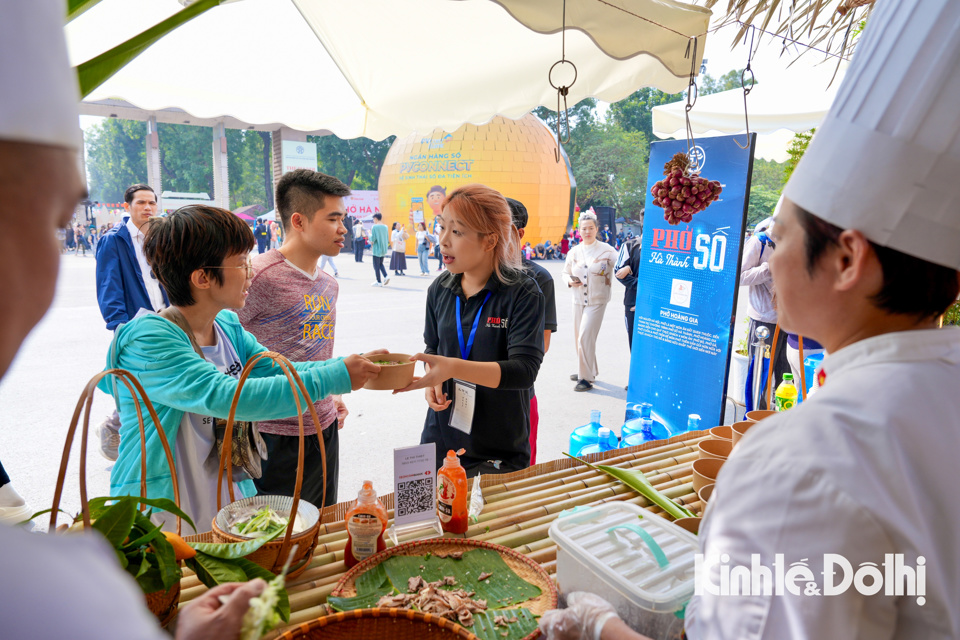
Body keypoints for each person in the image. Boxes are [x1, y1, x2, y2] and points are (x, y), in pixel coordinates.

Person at [540, 2, 960, 637]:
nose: (767, 255)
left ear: (848, 258)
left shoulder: (801, 465)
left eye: (780, 236)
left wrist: (597, 625)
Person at [0, 3, 266, 637]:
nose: (44, 277)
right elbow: (228, 393)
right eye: (52, 223)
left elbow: (260, 372)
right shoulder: (149, 332)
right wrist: (352, 374)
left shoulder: (226, 328)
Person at [101, 205, 382, 531]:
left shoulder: (226, 326)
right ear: (202, 277)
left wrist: (347, 366)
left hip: (221, 501)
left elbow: (277, 371)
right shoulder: (149, 339)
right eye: (240, 262)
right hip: (162, 512)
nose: (250, 271)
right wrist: (336, 376)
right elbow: (228, 396)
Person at [398, 184, 545, 476]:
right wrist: (433, 382)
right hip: (440, 436)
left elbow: (524, 370)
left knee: (488, 521)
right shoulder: (439, 288)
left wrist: (452, 367)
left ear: (490, 241)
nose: (443, 241)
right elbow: (433, 348)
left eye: (457, 232)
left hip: (498, 445)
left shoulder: (524, 292)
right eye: (442, 228)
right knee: (422, 515)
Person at [238, 169, 351, 508]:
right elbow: (219, 347)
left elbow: (315, 347)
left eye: (343, 218)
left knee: (321, 524)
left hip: (324, 426)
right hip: (271, 434)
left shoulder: (329, 283)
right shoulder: (258, 276)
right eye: (333, 219)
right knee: (274, 533)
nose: (343, 229)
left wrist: (332, 393)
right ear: (299, 221)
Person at [94, 183, 169, 460]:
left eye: (151, 203)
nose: (147, 208)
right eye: (141, 203)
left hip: (164, 317)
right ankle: (115, 427)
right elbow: (108, 284)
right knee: (138, 379)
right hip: (134, 324)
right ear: (127, 206)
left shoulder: (159, 237)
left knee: (153, 377)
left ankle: (121, 427)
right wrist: (118, 326)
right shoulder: (114, 240)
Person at [508, 197, 557, 466]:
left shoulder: (538, 279)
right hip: (471, 396)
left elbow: (542, 344)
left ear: (518, 233)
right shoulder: (472, 273)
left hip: (518, 396)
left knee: (518, 476)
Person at [562, 211, 618, 392]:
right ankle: (586, 369)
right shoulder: (574, 251)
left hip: (597, 300)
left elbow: (620, 264)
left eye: (591, 228)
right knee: (580, 337)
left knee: (585, 335)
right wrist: (569, 281)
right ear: (579, 230)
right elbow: (565, 272)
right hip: (577, 300)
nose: (587, 231)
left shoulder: (607, 250)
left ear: (597, 229)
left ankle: (586, 378)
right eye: (584, 228)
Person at [739, 214, 790, 410]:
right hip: (764, 321)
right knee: (760, 374)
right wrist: (767, 269)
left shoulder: (794, 244)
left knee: (786, 375)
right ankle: (754, 419)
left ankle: (780, 419)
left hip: (789, 321)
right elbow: (740, 276)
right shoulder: (759, 242)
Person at [615, 232, 642, 351]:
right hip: (632, 302)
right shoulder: (629, 246)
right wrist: (641, 285)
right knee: (635, 345)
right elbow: (618, 272)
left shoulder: (664, 247)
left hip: (655, 304)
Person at [369, 212, 390, 286]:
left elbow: (373, 239)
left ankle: (379, 281)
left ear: (375, 218)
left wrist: (369, 234)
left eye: (373, 219)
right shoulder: (385, 227)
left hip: (376, 249)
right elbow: (387, 238)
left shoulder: (374, 227)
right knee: (380, 264)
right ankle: (386, 276)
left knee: (376, 266)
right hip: (383, 248)